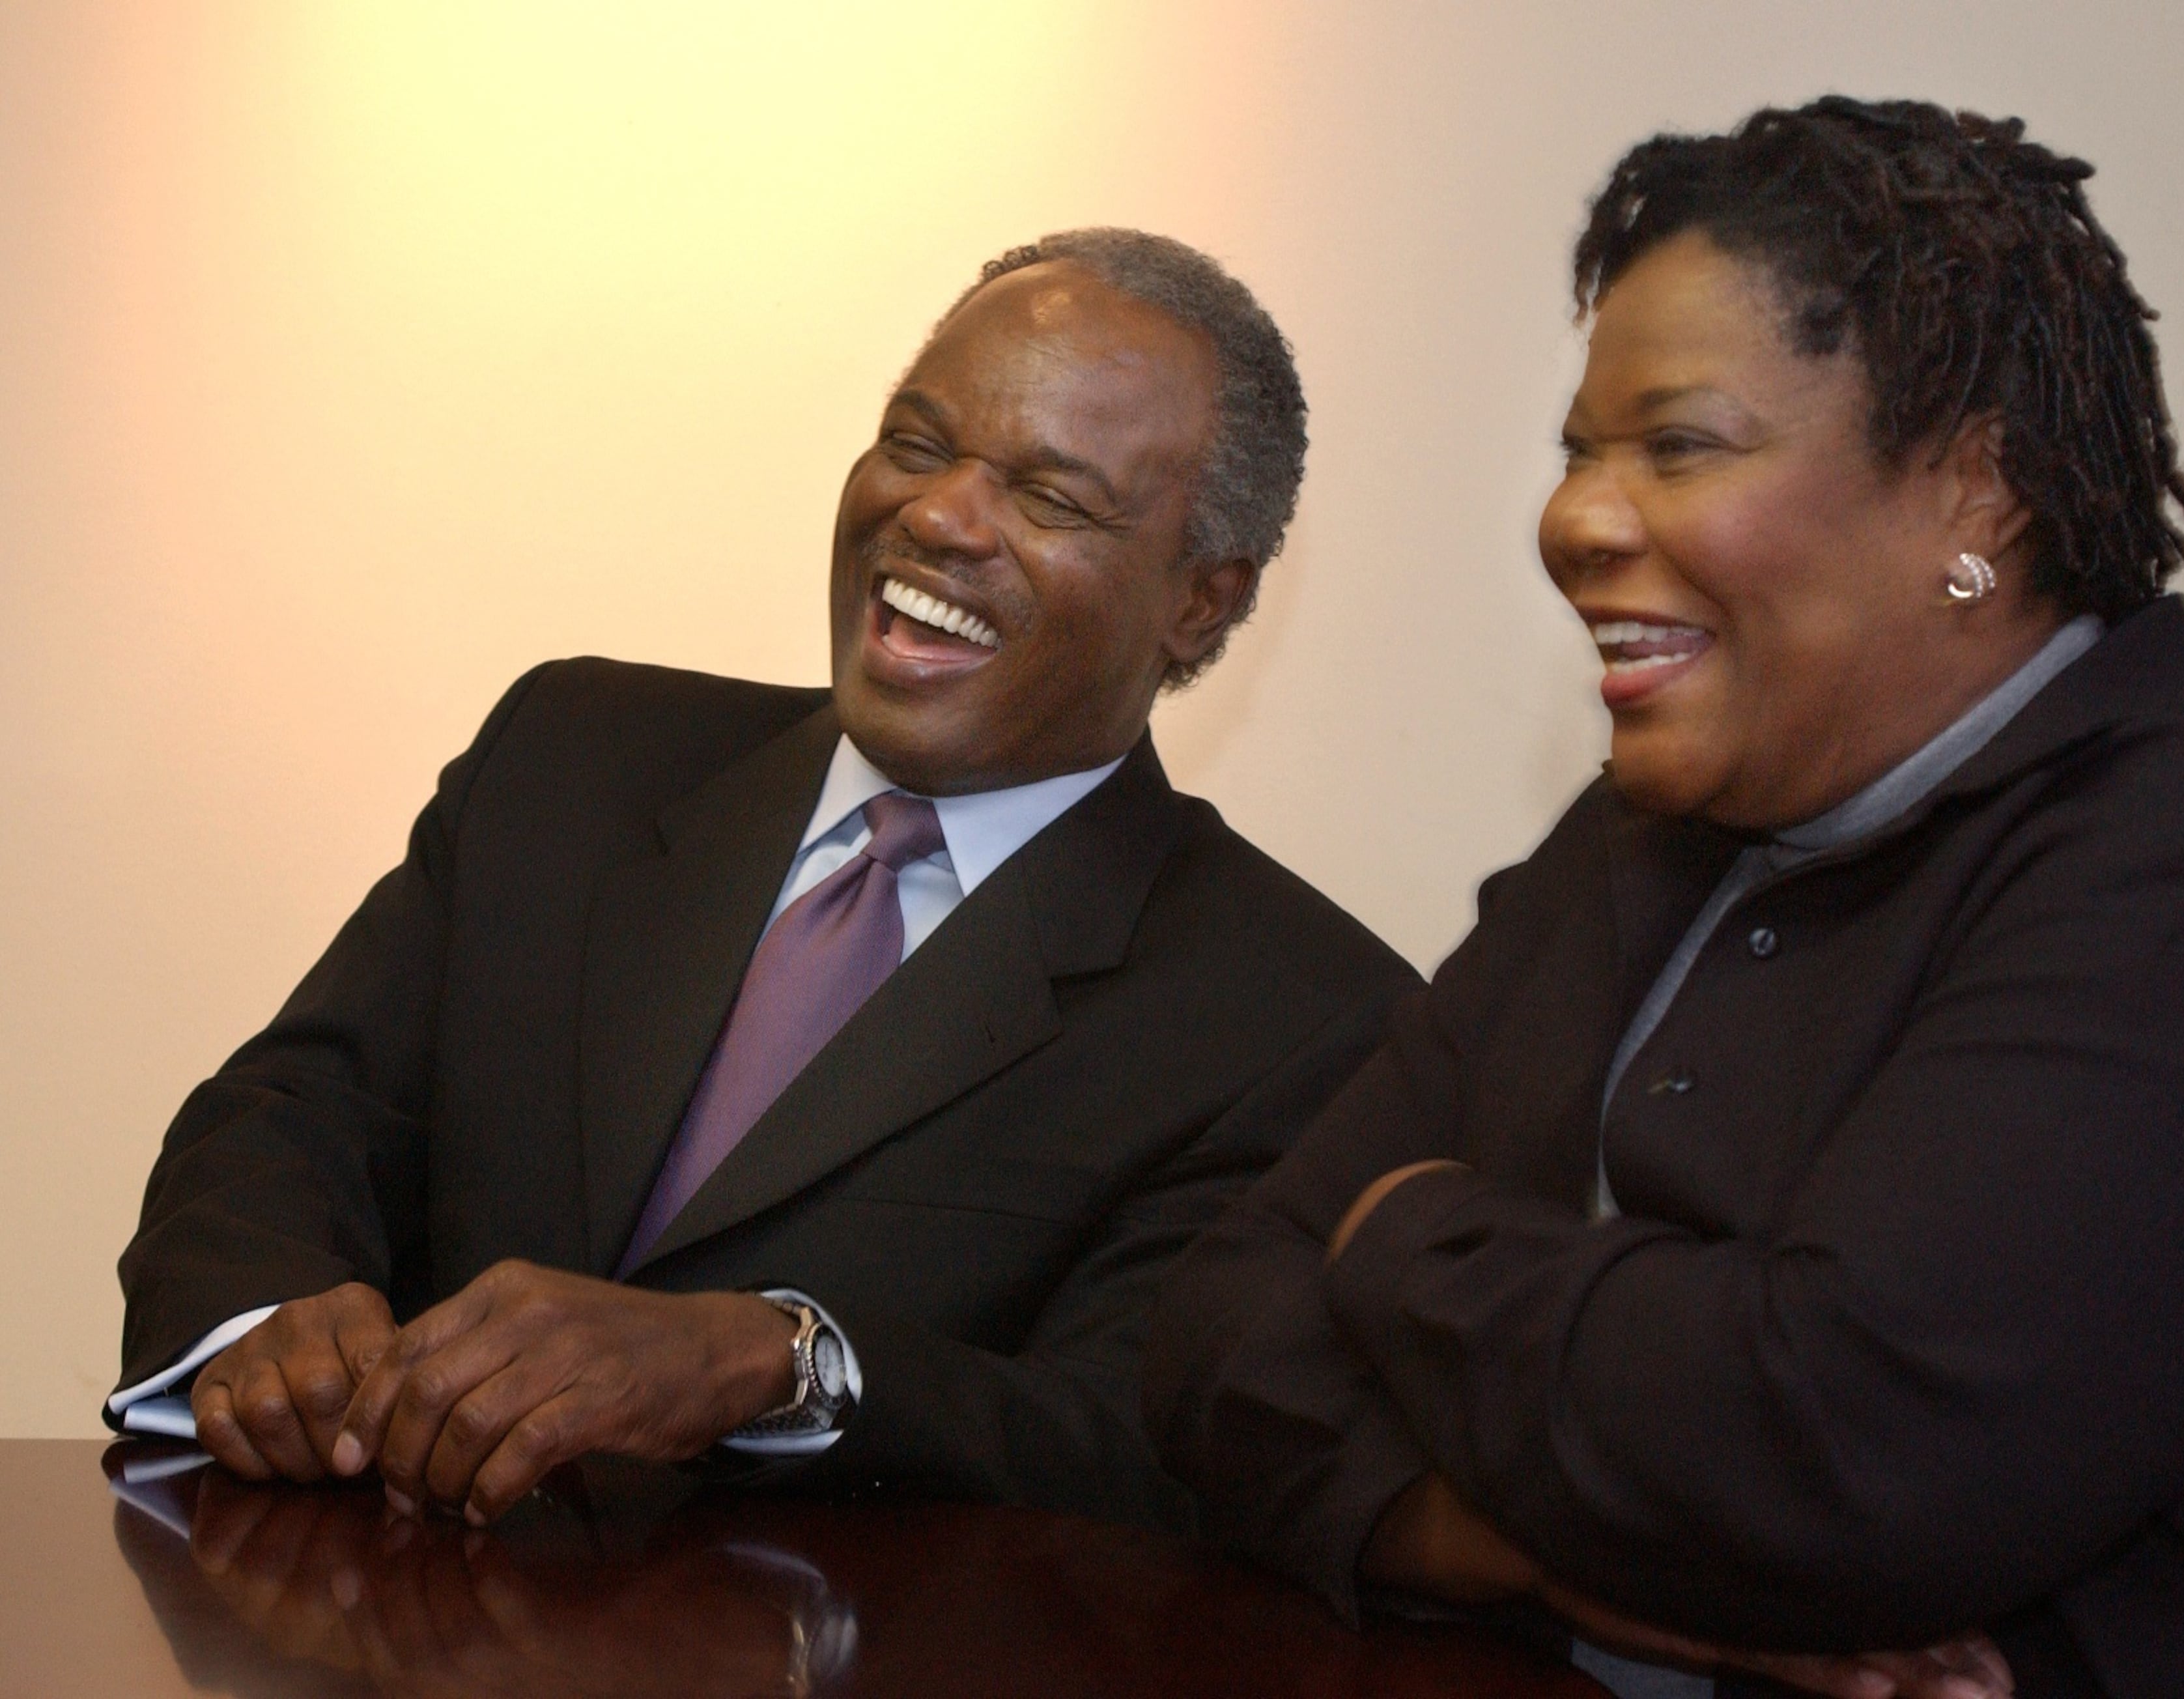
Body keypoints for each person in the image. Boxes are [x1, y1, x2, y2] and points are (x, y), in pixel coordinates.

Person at [1143, 99, 2184, 1697]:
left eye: (1677, 445)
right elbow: (1215, 1334)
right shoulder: (1636, 844)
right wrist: (1519, 1545)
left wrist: (1396, 1227)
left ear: (1978, 498)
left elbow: (1826, 1466)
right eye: (1580, 452)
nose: (1575, 520)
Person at [109, 227, 1421, 1535]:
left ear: (1202, 600)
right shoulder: (571, 758)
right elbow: (292, 1112)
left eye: (1050, 497)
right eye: (916, 442)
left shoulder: (1306, 1019)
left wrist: (778, 1358)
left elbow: (1134, 1444)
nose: (941, 513)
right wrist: (266, 1317)